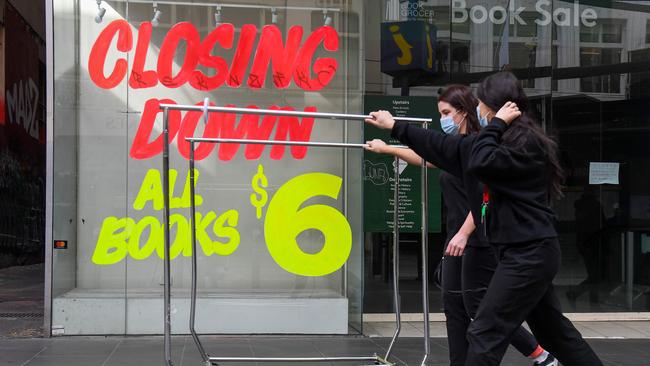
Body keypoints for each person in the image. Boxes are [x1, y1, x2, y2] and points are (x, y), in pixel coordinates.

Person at [365, 72, 603, 366]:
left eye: (480, 103)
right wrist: (395, 127)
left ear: (493, 106)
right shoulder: (495, 140)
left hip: (530, 253)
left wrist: (498, 124)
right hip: (519, 252)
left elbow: (480, 163)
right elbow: (442, 148)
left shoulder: (524, 143)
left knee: (485, 331)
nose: (479, 108)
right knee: (554, 333)